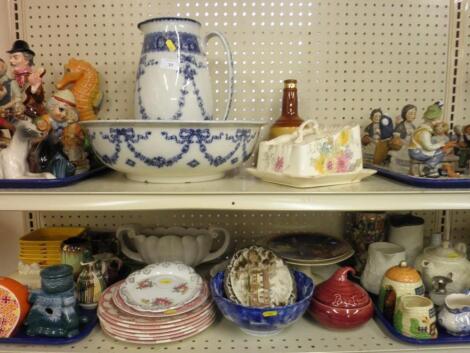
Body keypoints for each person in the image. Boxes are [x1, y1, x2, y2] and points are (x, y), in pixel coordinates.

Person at [408, 102, 457, 177]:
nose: (439, 122)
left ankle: (431, 168)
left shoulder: (423, 128)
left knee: (442, 150)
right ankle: (428, 167)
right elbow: (428, 147)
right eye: (437, 119)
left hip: (417, 150)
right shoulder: (425, 132)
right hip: (417, 152)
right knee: (441, 152)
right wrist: (441, 144)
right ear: (431, 120)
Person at [7, 40, 46, 118]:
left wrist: (34, 89)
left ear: (27, 59)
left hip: (32, 113)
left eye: (15, 57)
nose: (11, 61)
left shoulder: (32, 77)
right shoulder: (12, 78)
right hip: (15, 112)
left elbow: (40, 98)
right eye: (10, 57)